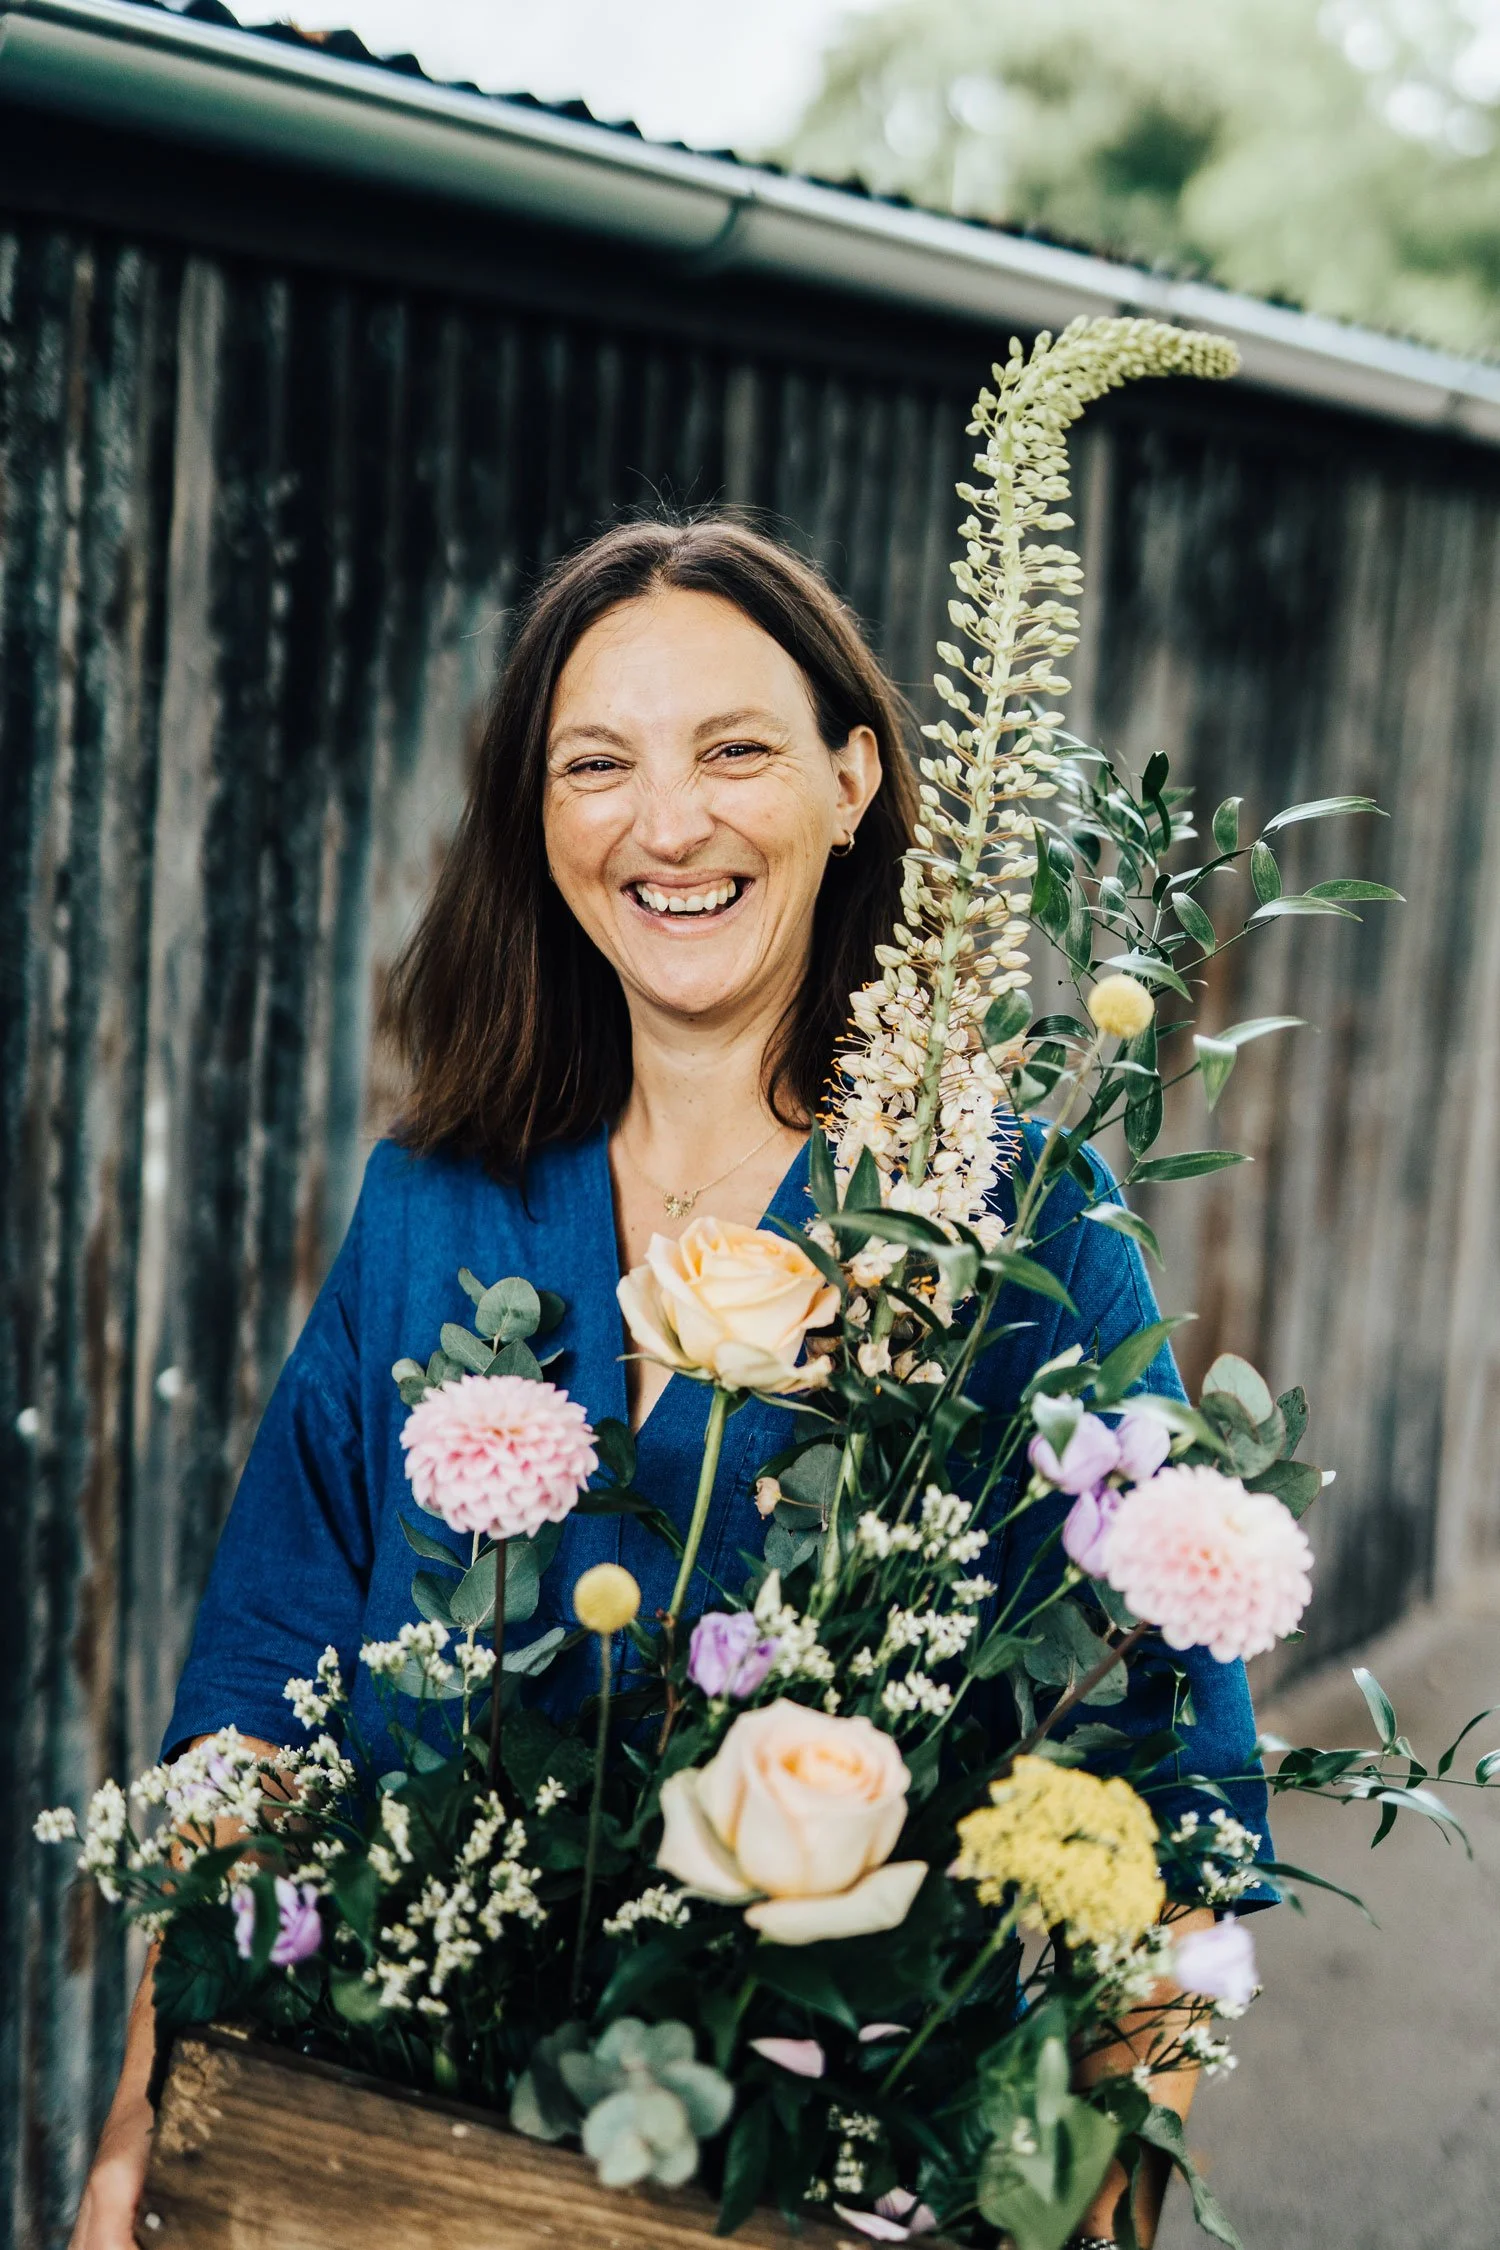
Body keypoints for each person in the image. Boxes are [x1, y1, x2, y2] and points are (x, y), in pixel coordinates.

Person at [70, 518, 1270, 2250]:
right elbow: (258, 1710)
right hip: (396, 2180)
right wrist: (146, 2119)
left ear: (855, 781)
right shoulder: (435, 1209)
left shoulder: (1014, 1226)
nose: (669, 823)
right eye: (597, 764)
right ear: (536, 816)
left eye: (734, 750)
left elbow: (1179, 1794)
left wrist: (1106, 2189)